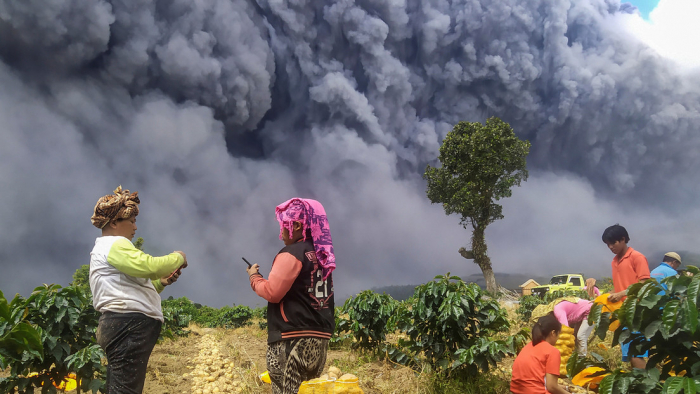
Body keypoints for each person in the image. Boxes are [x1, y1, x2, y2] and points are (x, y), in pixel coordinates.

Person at [89, 186, 187, 394]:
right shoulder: (114, 244)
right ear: (114, 222)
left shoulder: (108, 248)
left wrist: (161, 283)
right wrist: (178, 257)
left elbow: (133, 287)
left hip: (122, 324)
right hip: (127, 325)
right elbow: (149, 266)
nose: (135, 227)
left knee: (121, 386)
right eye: (131, 221)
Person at [247, 198, 335, 394]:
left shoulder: (292, 253)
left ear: (295, 225)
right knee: (307, 390)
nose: (281, 234)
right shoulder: (322, 256)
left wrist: (254, 277)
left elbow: (272, 292)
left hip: (291, 337)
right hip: (320, 337)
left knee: (284, 389)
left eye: (283, 226)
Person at [585, 224, 650, 369]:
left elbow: (644, 284)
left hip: (637, 312)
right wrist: (607, 295)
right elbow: (620, 287)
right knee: (628, 353)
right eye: (607, 244)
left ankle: (645, 387)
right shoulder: (615, 262)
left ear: (623, 239)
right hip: (622, 312)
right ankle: (637, 384)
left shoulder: (637, 257)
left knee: (636, 353)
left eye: (613, 243)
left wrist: (622, 293)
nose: (610, 247)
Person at [511, 312, 571, 394]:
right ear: (553, 333)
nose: (558, 338)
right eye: (558, 334)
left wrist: (565, 388)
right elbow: (552, 387)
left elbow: (534, 379)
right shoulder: (552, 351)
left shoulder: (529, 346)